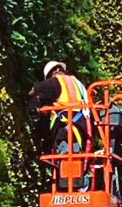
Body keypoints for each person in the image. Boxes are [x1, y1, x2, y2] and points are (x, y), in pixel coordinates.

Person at [28, 60, 94, 188]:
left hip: (66, 127)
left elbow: (33, 91)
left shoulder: (54, 82)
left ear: (51, 73)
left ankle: (71, 189)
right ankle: (82, 187)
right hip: (83, 126)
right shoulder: (78, 83)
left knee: (67, 160)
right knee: (81, 160)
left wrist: (34, 106)